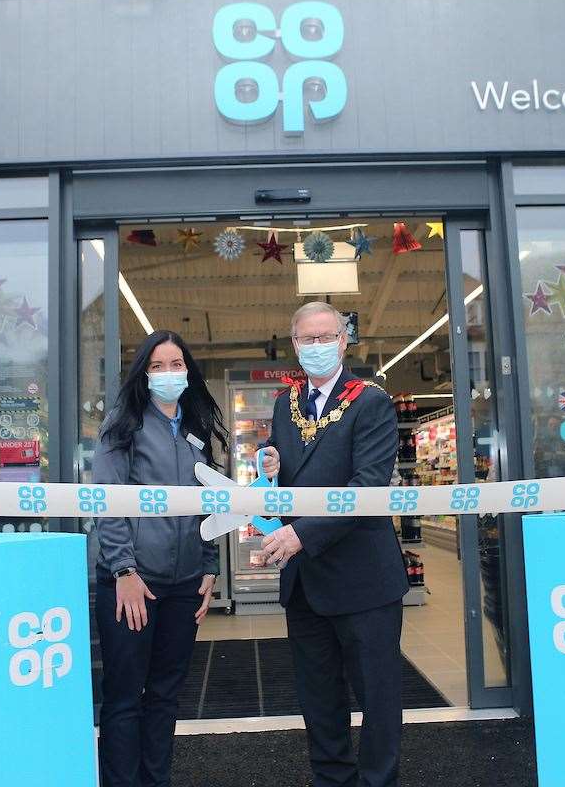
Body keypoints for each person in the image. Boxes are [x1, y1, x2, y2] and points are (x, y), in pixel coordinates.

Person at [258, 302, 407, 787]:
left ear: (344, 341)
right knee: (319, 701)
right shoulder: (286, 404)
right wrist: (271, 480)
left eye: (326, 338)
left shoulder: (371, 401)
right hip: (305, 585)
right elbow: (291, 490)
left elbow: (366, 487)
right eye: (306, 339)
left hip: (362, 580)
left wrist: (301, 534)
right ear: (294, 344)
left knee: (377, 698)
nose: (316, 347)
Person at [92, 330, 227, 787]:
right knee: (125, 696)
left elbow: (209, 499)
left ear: (188, 370)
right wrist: (123, 570)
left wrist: (209, 567)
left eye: (175, 364)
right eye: (157, 366)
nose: (168, 373)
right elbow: (108, 502)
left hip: (184, 584)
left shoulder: (197, 426)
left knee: (166, 695)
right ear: (143, 373)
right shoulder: (122, 424)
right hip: (132, 583)